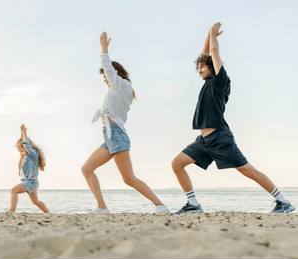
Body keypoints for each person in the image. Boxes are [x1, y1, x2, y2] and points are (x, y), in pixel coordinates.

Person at [171, 22, 295, 214]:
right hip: (203, 141)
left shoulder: (220, 82)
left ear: (212, 66)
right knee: (177, 163)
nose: (200, 70)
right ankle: (193, 205)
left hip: (220, 139)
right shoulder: (207, 82)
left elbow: (212, 51)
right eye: (199, 68)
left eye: (203, 67)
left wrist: (213, 34)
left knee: (248, 171)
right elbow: (205, 52)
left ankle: (283, 202)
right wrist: (208, 33)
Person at [81, 32, 169, 214]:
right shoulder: (118, 89)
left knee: (129, 179)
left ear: (114, 74)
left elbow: (107, 67)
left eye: (105, 77)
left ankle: (160, 205)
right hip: (109, 135)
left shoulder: (121, 86)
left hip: (116, 133)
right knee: (87, 168)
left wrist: (104, 48)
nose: (105, 79)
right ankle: (102, 207)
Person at [9, 124, 49, 213]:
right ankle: (48, 214)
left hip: (31, 182)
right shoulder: (26, 155)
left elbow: (26, 144)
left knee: (13, 190)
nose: (21, 153)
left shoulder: (33, 154)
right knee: (36, 202)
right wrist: (21, 134)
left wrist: (24, 132)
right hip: (30, 183)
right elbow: (23, 143)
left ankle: (11, 212)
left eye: (22, 151)